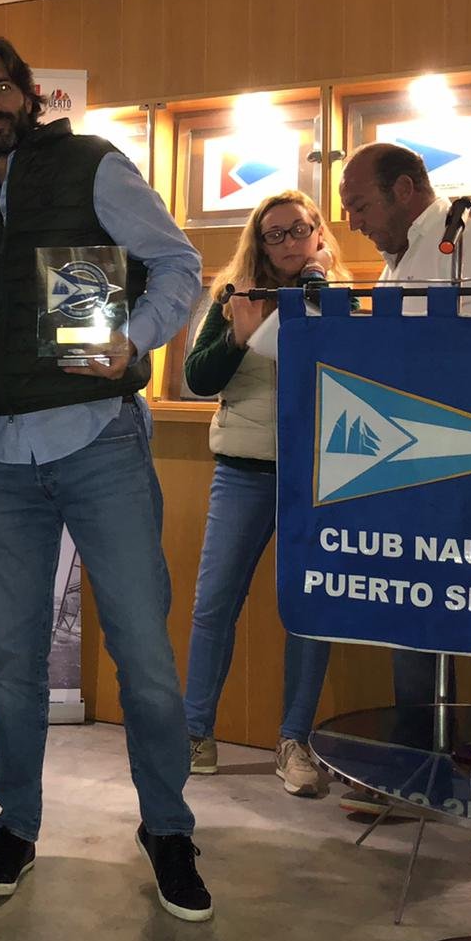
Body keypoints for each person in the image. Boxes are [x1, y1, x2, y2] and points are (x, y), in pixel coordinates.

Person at [0, 36, 213, 922]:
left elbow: (178, 264)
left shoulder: (94, 163)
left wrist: (135, 340)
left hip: (99, 442)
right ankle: (16, 827)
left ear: (30, 95)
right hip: (4, 453)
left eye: (3, 87)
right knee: (13, 662)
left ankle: (168, 828)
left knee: (144, 657)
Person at [331, 139, 471, 830]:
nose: (353, 222)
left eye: (360, 205)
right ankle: (415, 776)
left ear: (404, 189)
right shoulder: (395, 264)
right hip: (412, 471)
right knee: (414, 624)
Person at [181, 190, 349, 798]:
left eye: (298, 229)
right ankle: (194, 734)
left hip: (318, 478)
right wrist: (237, 336)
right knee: (214, 604)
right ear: (258, 241)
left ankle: (294, 741)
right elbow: (197, 378)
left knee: (310, 611)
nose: (287, 242)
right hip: (243, 471)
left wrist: (318, 288)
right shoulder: (235, 295)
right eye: (273, 234)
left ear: (318, 232)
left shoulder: (340, 297)